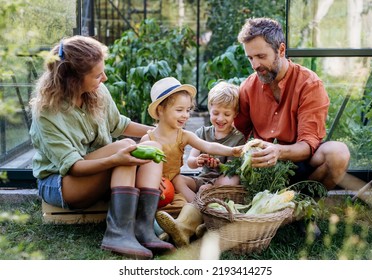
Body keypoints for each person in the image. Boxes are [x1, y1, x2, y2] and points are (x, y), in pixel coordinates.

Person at [29, 35, 173, 259]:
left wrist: (162, 132)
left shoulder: (97, 92)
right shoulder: (47, 113)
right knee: (124, 148)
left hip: (96, 170)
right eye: (97, 75)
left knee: (151, 144)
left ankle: (142, 230)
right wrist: (116, 160)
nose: (104, 78)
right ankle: (117, 233)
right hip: (60, 182)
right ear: (73, 80)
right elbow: (74, 166)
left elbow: (120, 125)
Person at [234, 17, 350, 191]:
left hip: (302, 163)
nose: (255, 65)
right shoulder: (248, 87)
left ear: (281, 50)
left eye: (261, 56)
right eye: (250, 58)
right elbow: (237, 134)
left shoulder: (309, 84)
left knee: (338, 154)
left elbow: (308, 145)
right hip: (264, 168)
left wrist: (278, 151)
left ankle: (303, 204)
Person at [155, 80, 246, 247]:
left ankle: (191, 216)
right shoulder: (202, 132)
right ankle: (199, 208)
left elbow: (232, 169)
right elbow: (190, 163)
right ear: (209, 110)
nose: (220, 118)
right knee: (177, 179)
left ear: (235, 114)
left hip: (220, 182)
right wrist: (197, 161)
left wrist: (218, 164)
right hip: (202, 179)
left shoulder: (238, 137)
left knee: (231, 180)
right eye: (216, 112)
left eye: (226, 114)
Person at [140, 77, 242, 212]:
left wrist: (232, 151)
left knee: (178, 194)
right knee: (171, 188)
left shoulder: (184, 136)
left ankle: (199, 208)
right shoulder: (148, 139)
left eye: (188, 110)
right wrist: (152, 179)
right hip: (156, 186)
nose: (185, 115)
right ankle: (198, 208)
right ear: (160, 110)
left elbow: (209, 146)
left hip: (181, 184)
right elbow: (139, 167)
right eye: (179, 110)